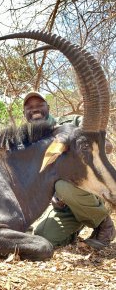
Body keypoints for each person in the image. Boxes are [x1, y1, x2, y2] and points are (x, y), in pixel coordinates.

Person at [23, 91, 116, 249]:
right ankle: (77, 226)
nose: (35, 109)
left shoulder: (72, 122)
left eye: (39, 105)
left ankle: (103, 225)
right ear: (24, 113)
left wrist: (73, 141)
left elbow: (107, 146)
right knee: (42, 238)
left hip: (90, 193)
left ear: (48, 107)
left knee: (63, 185)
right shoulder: (27, 143)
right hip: (63, 205)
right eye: (29, 107)